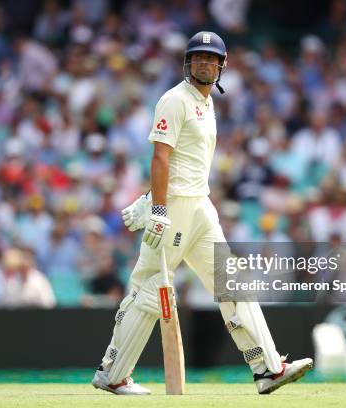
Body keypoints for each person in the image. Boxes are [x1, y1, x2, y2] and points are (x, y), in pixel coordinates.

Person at [92, 31, 312, 395]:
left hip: (200, 206)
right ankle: (112, 373)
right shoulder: (174, 100)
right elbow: (161, 156)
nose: (205, 64)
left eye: (212, 59)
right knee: (149, 290)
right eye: (198, 58)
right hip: (176, 207)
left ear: (222, 66)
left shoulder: (207, 103)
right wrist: (158, 207)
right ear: (187, 63)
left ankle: (268, 369)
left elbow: (185, 163)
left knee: (233, 283)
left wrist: (152, 200)